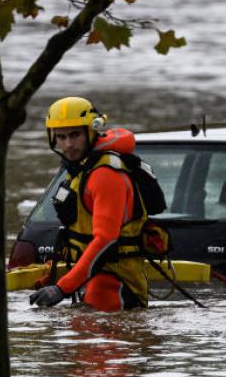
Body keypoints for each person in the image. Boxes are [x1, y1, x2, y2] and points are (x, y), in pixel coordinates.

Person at [29, 97, 152, 312]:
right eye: (61, 136)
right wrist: (56, 275)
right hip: (93, 279)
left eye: (75, 135)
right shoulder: (79, 170)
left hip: (115, 285)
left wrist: (61, 288)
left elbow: (105, 240)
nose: (68, 144)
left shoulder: (105, 175)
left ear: (92, 131)